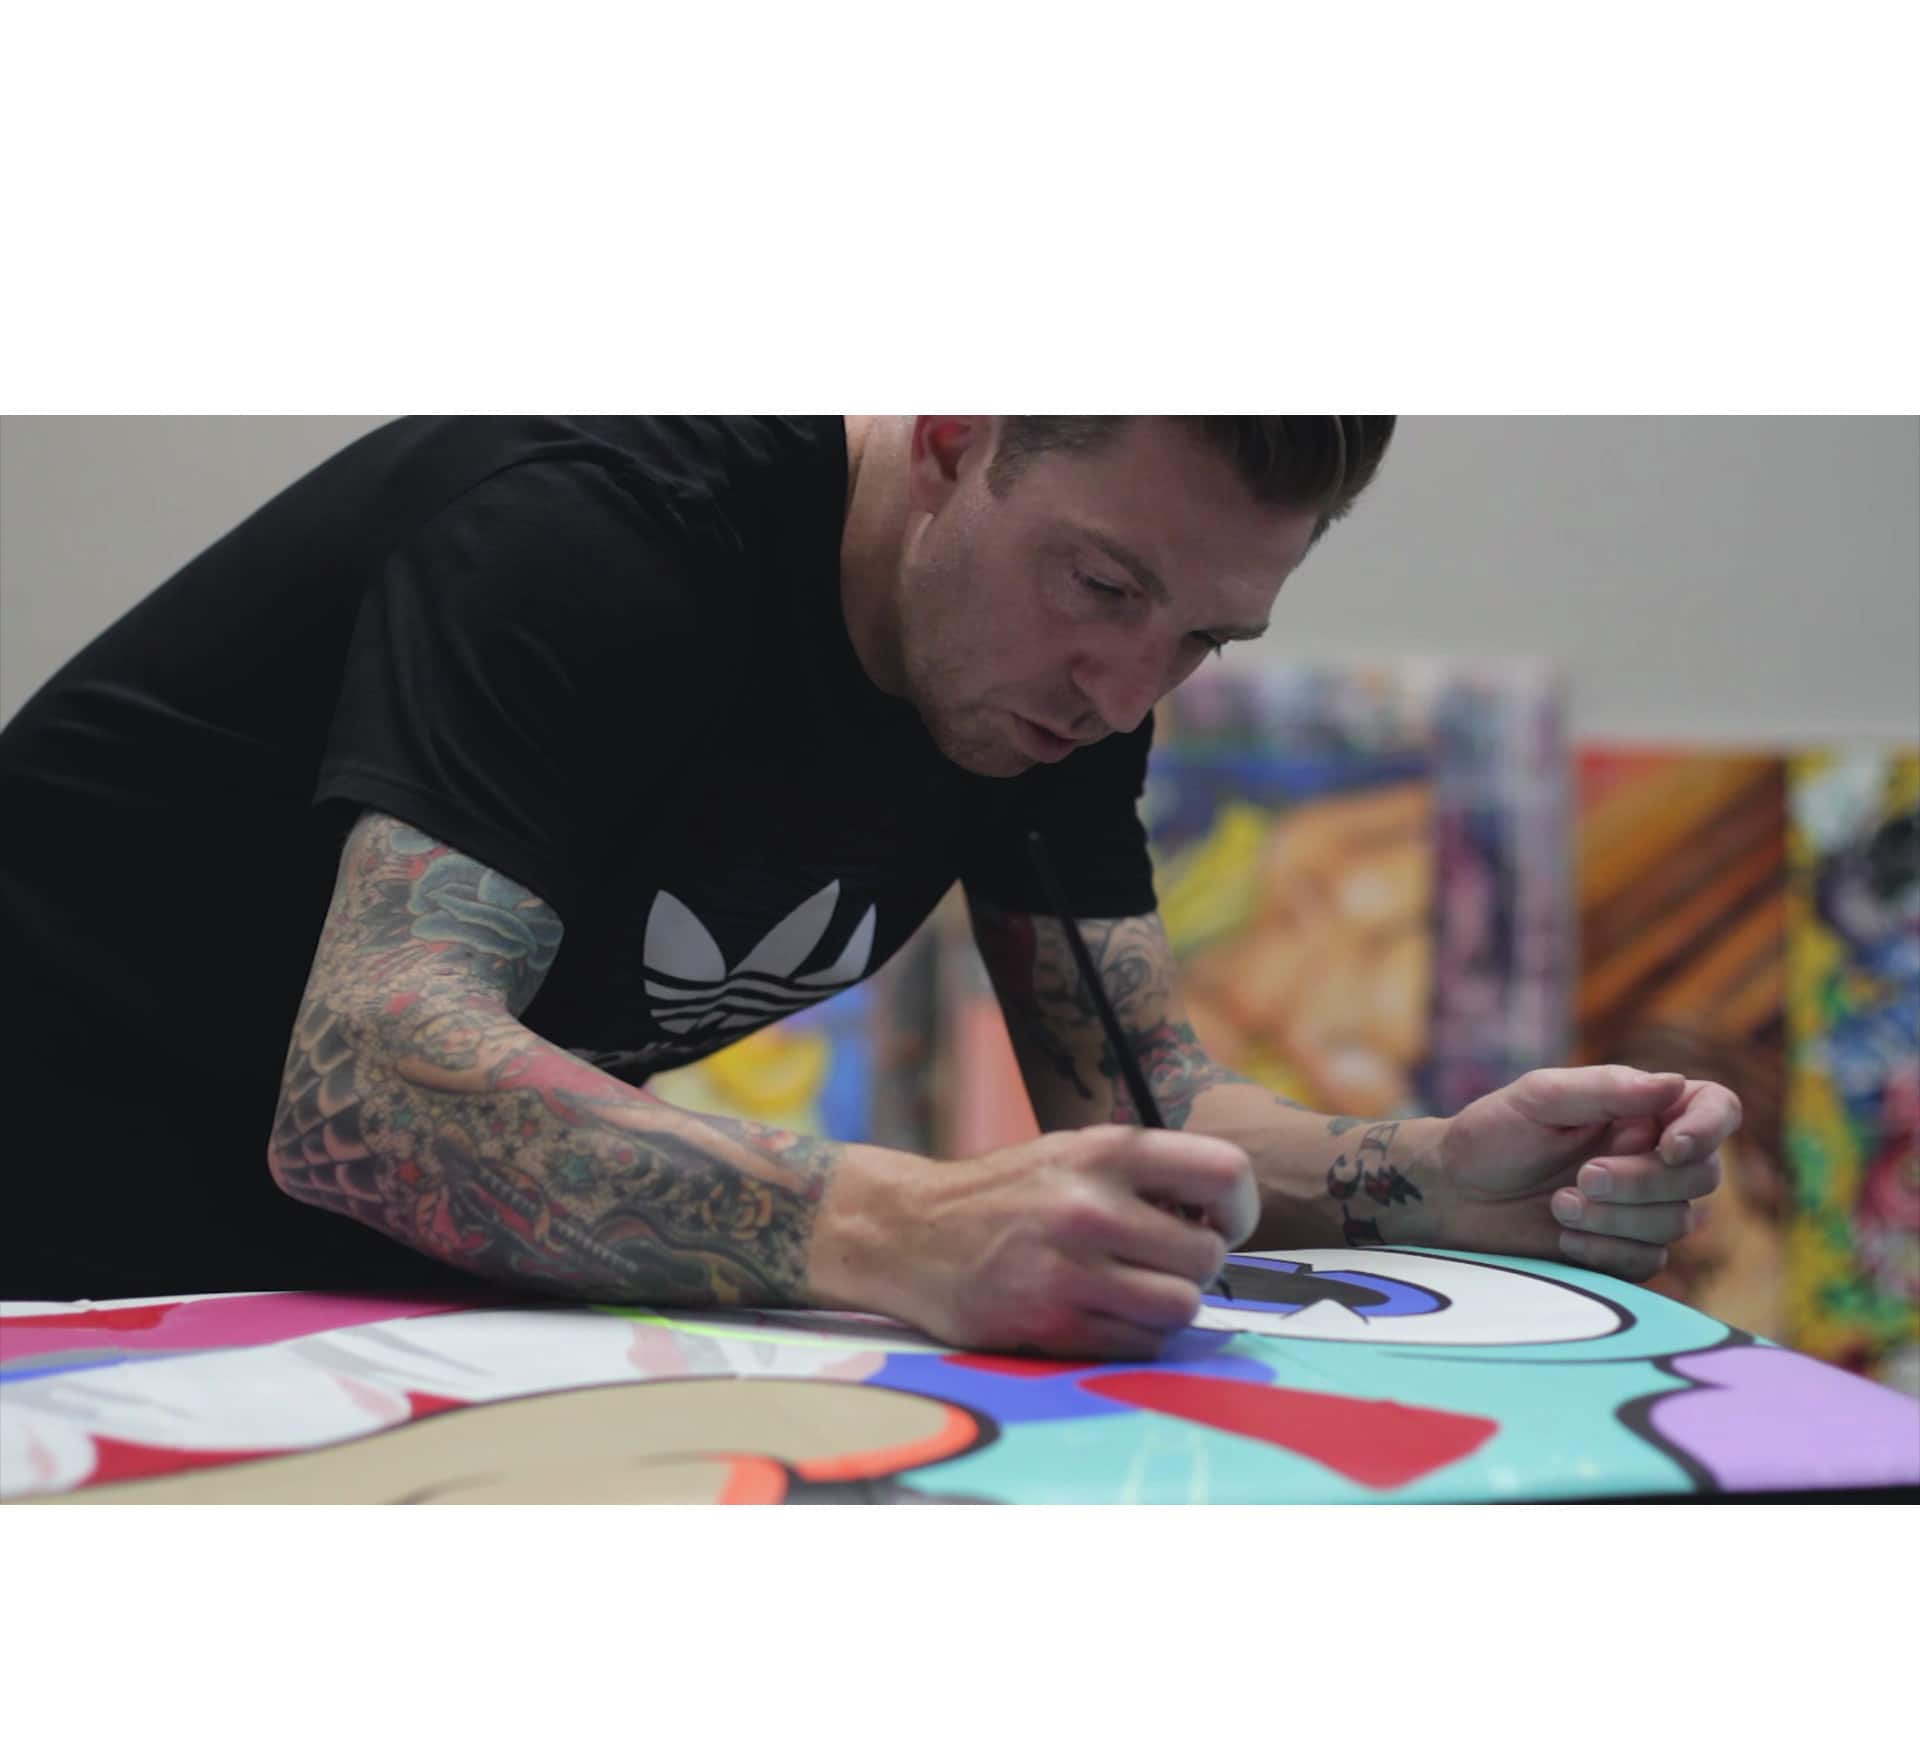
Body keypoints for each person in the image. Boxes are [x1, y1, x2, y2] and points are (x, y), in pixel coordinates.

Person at [0, 416, 1741, 1356]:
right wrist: (900, 1224)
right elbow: (369, 1089)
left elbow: (1148, 1105)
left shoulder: (1057, 693)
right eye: (1101, 584)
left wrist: (1435, 1182)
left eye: (1203, 637)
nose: (1127, 688)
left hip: (287, 1302)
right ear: (952, 437)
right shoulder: (590, 530)